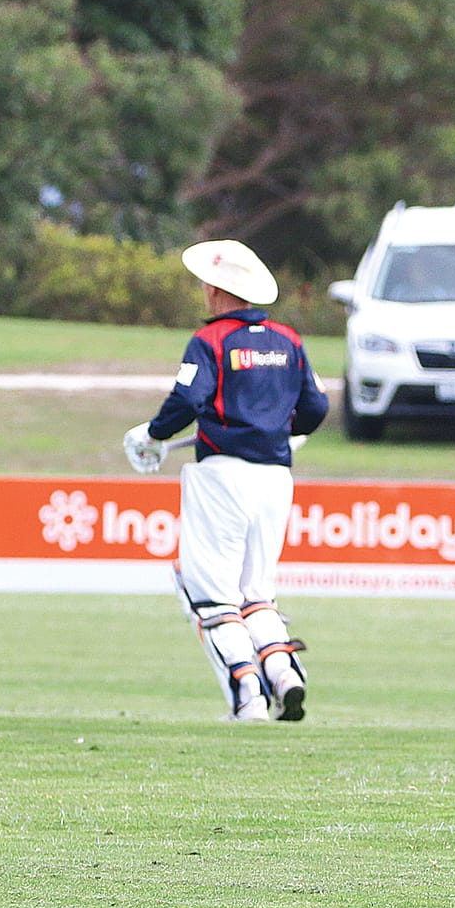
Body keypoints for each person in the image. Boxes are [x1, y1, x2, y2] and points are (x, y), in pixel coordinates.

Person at [124, 240, 329, 722]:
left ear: (216, 290)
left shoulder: (211, 340)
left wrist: (152, 435)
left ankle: (247, 695)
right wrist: (282, 430)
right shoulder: (289, 339)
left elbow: (188, 399)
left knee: (215, 595)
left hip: (222, 474)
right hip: (276, 476)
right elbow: (316, 408)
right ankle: (284, 673)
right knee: (257, 592)